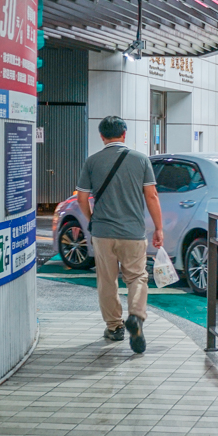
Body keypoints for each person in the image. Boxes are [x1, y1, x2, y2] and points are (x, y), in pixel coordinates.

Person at [75, 116, 163, 353]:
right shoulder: (141, 160)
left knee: (107, 280)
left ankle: (114, 327)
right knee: (137, 277)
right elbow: (152, 196)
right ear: (124, 133)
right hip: (132, 232)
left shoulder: (92, 161)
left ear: (101, 136)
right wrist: (158, 228)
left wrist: (92, 220)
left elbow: (82, 198)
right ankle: (136, 316)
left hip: (103, 232)